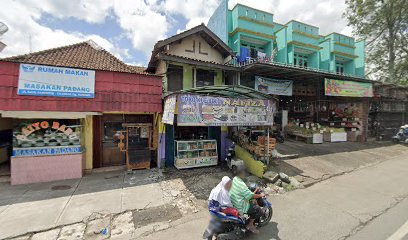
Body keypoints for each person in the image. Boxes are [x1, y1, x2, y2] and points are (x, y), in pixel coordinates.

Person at [230, 167, 265, 233]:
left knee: (253, 200)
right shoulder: (242, 185)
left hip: (234, 201)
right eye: (244, 173)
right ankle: (250, 225)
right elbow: (251, 196)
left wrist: (254, 191)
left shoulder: (235, 179)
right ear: (240, 173)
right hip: (240, 206)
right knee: (258, 209)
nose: (245, 174)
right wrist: (261, 195)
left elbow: (247, 194)